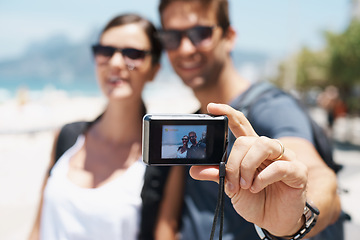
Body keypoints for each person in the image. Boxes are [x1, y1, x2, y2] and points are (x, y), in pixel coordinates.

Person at [142, 0, 343, 239]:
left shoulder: (272, 106)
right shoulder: (197, 121)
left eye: (200, 33)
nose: (185, 48)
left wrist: (294, 220)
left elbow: (319, 177)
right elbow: (171, 218)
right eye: (172, 37)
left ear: (229, 36)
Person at [28, 13, 162, 240]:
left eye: (132, 54)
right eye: (105, 51)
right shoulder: (67, 136)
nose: (115, 63)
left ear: (154, 69)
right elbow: (37, 230)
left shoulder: (160, 160)